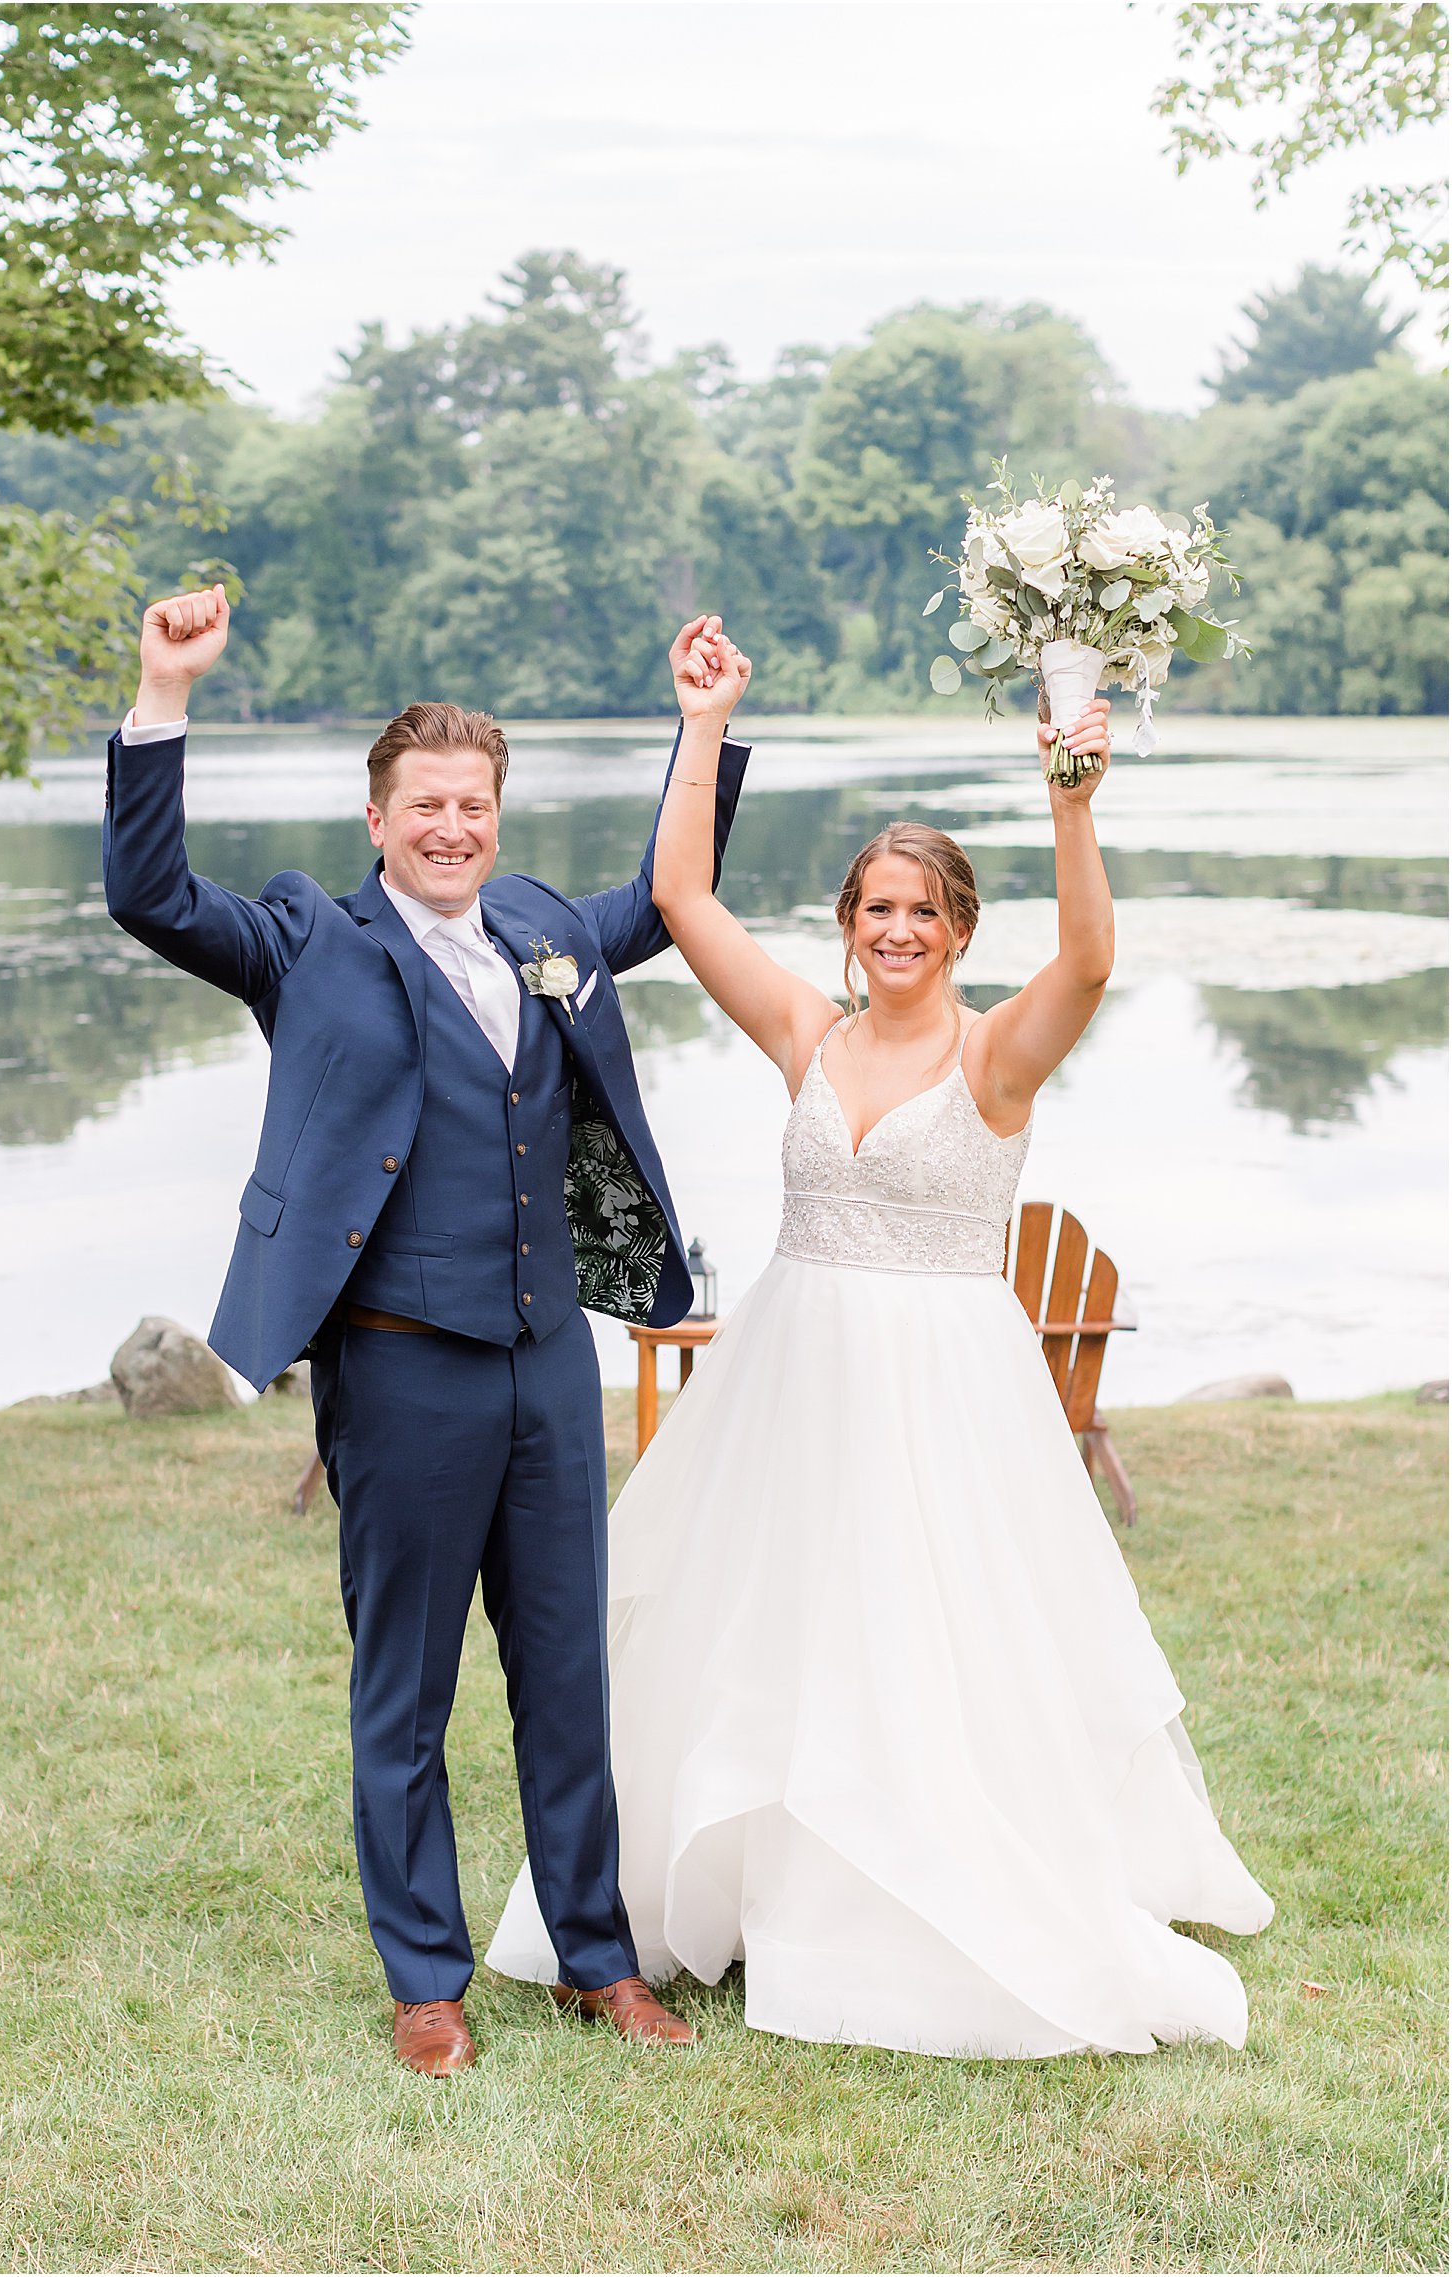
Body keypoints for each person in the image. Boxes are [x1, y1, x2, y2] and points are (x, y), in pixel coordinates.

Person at [489, 617, 1274, 2056]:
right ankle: (713, 1891)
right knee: (751, 1630)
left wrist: (1071, 795)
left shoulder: (996, 1054)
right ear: (847, 930)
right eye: (874, 912)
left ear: (961, 930)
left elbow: (1092, 960)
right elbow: (680, 890)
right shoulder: (808, 1033)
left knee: (927, 1642)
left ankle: (906, 1904)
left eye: (922, 912)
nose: (897, 932)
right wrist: (704, 719)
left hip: (943, 1398)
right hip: (790, 1381)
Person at [103, 586, 753, 2075]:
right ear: (380, 817)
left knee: (570, 1673)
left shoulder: (538, 927)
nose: (453, 827)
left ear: (497, 819)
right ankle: (426, 1982)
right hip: (399, 1361)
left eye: (475, 804)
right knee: (406, 1684)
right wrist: (163, 692)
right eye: (427, 806)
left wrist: (703, 729)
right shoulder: (303, 942)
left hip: (545, 1358)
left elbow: (669, 895)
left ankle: (598, 1956)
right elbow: (152, 896)